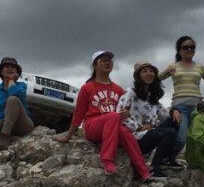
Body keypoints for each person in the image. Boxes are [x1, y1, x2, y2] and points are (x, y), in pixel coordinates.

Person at [55, 51, 152, 180]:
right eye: (103, 60)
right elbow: (78, 113)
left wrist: (127, 114)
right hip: (93, 126)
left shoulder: (118, 89)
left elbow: (128, 111)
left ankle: (143, 171)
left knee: (125, 132)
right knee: (113, 116)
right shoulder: (87, 88)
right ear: (95, 66)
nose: (108, 62)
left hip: (113, 127)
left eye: (110, 60)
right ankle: (106, 158)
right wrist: (68, 135)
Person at [117, 60, 182, 177]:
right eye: (144, 71)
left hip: (149, 133)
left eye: (151, 71)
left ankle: (164, 159)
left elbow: (165, 115)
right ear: (138, 76)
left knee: (174, 121)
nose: (148, 73)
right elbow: (119, 115)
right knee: (170, 132)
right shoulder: (131, 92)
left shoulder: (151, 97)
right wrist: (138, 127)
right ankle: (154, 167)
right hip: (135, 137)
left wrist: (174, 110)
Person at [159, 35, 204, 168]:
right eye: (185, 47)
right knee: (181, 138)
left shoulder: (200, 67)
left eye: (192, 47)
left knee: (195, 138)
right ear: (179, 50)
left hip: (197, 108)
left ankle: (184, 162)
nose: (189, 49)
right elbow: (156, 79)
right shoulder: (173, 66)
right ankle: (165, 158)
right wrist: (166, 71)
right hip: (180, 107)